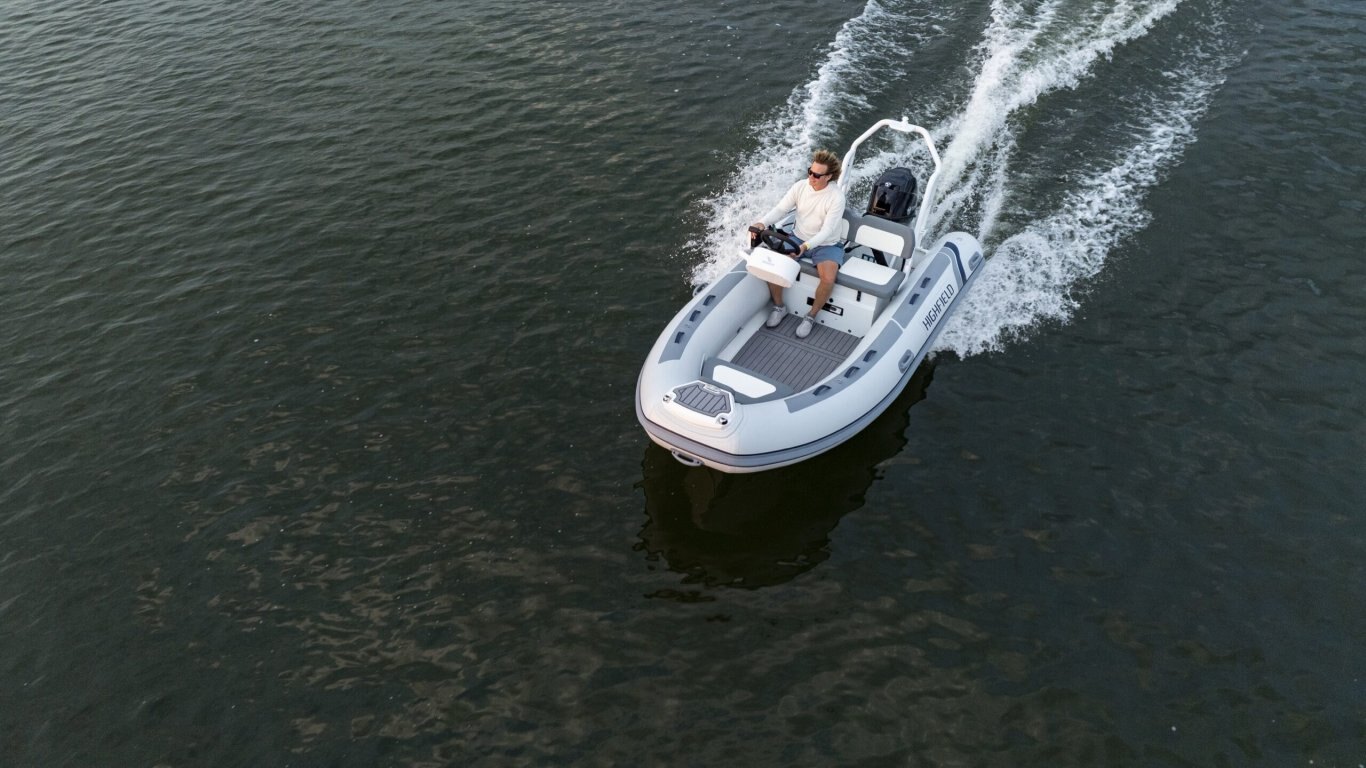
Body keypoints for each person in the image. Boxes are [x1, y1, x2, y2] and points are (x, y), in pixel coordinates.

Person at [751, 150, 847, 339]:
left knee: (828, 278)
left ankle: (811, 317)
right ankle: (779, 307)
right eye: (810, 172)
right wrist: (762, 222)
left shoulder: (837, 197)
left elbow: (827, 231)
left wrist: (805, 247)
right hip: (797, 237)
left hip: (827, 244)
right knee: (774, 265)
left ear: (828, 177)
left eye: (817, 175)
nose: (811, 177)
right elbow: (781, 209)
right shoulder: (800, 187)